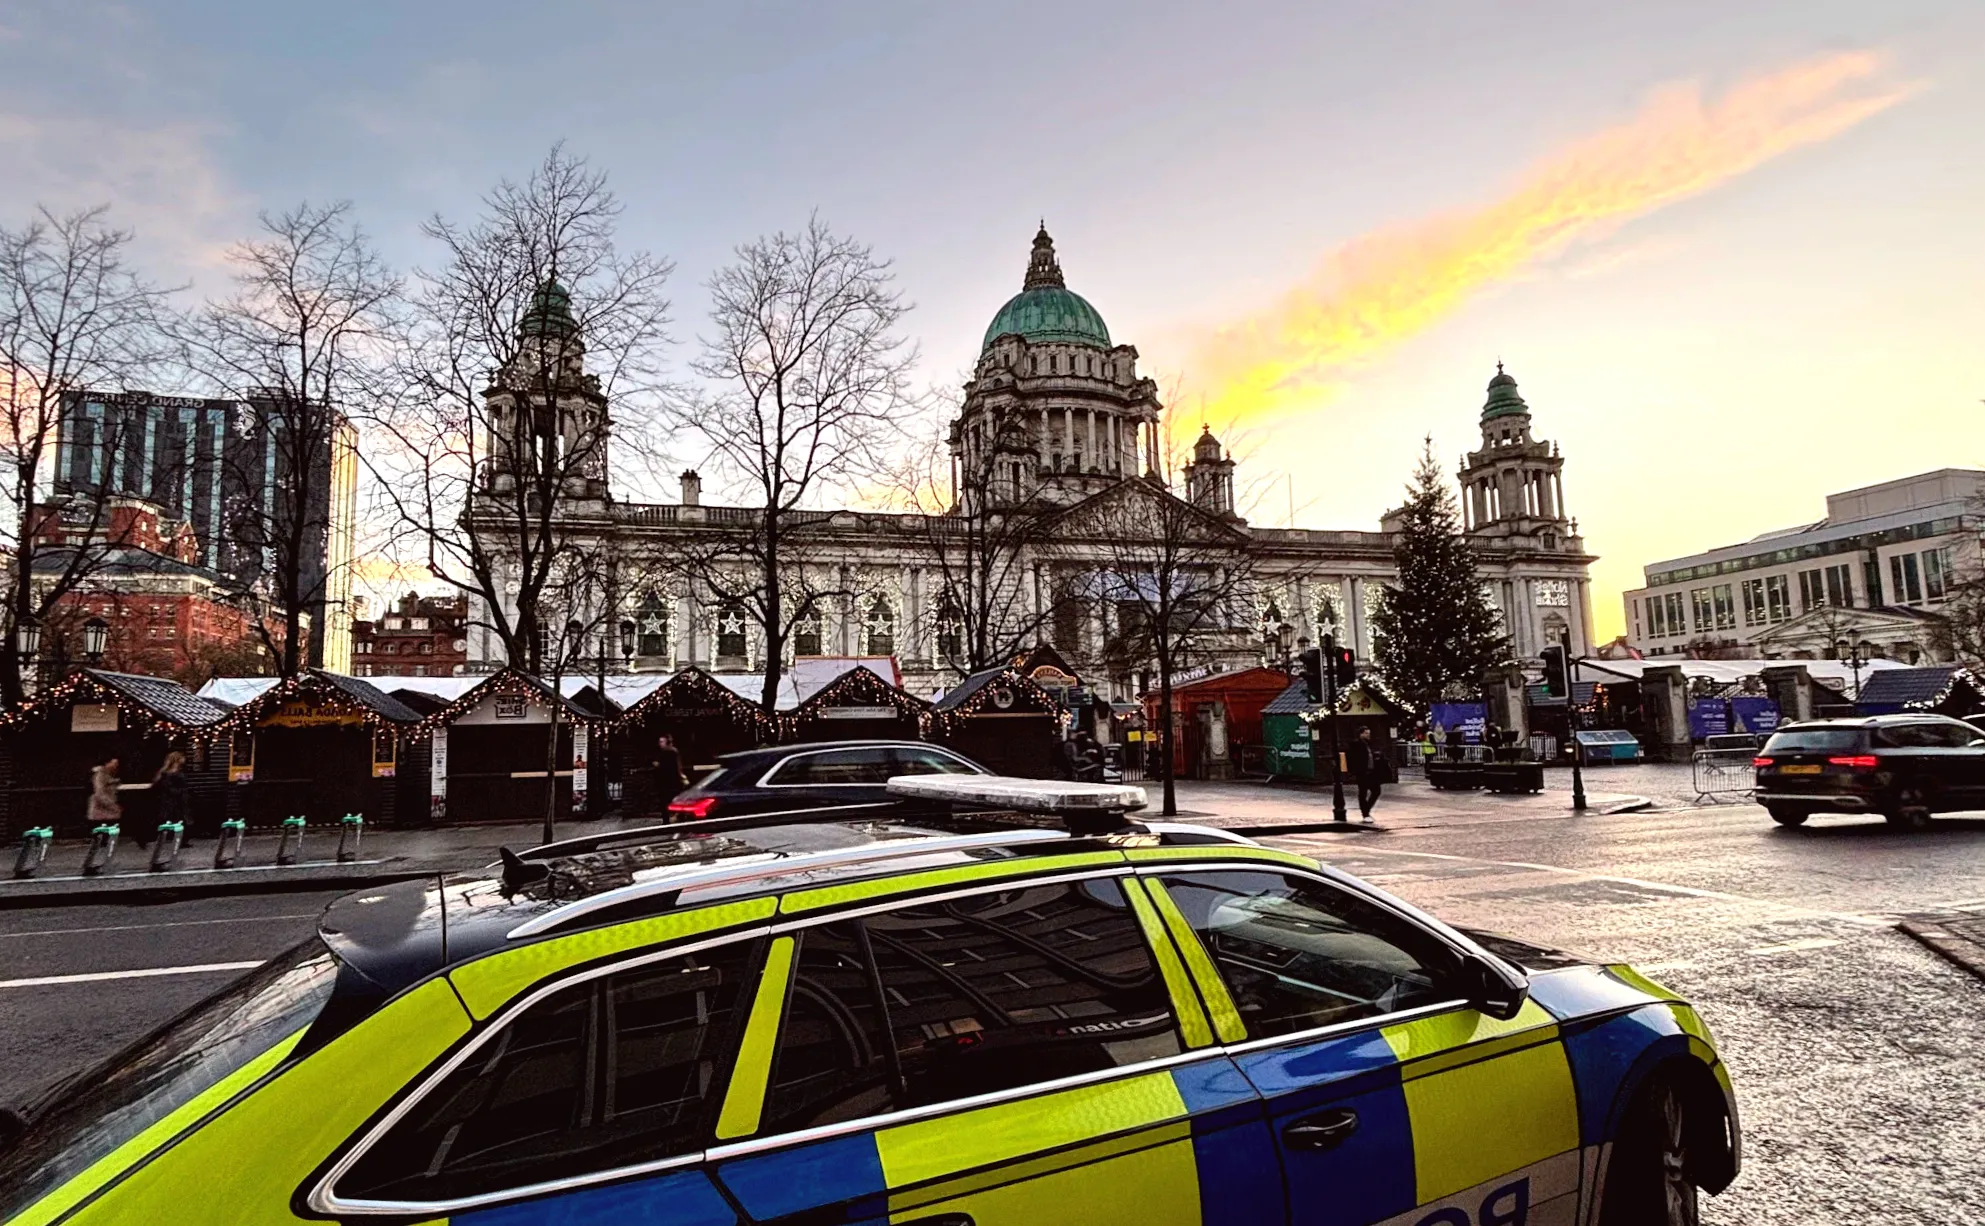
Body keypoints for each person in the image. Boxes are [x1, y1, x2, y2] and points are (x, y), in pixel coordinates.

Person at [1347, 726, 1383, 823]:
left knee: (1376, 791)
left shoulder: (1370, 744)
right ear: (1361, 734)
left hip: (1372, 772)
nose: (1368, 735)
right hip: (1362, 772)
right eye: (1366, 733)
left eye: (1369, 733)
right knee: (1363, 793)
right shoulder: (1356, 744)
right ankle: (1365, 813)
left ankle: (1367, 809)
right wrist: (1354, 770)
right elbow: (1352, 758)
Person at [153, 751, 190, 842]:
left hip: (173, 800)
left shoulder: (166, 773)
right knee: (176, 819)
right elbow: (169, 787)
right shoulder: (171, 774)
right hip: (173, 800)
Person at [653, 734, 687, 814]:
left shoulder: (668, 752)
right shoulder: (672, 751)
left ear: (667, 742)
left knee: (666, 801)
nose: (660, 744)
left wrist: (658, 765)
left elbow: (667, 766)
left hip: (669, 782)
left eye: (662, 742)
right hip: (672, 781)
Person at [89, 757, 123, 832]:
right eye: (114, 763)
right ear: (107, 763)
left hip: (109, 809)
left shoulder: (110, 774)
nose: (116, 765)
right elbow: (99, 792)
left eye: (117, 763)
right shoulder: (100, 774)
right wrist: (112, 806)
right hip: (101, 808)